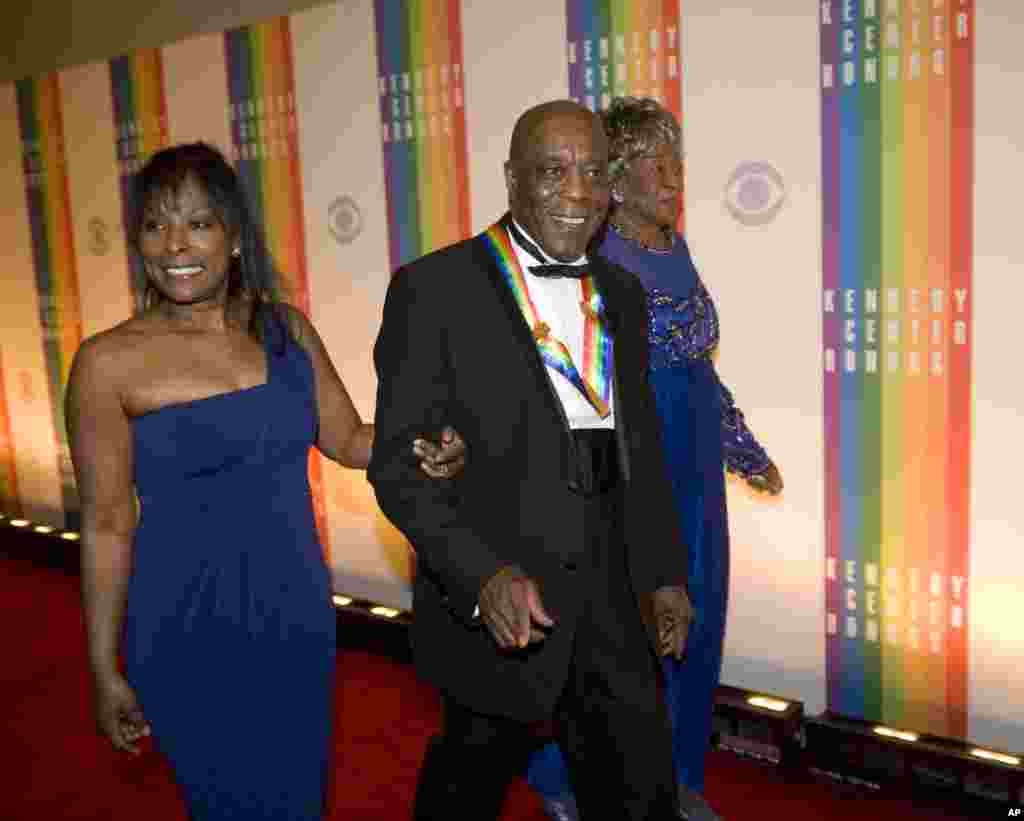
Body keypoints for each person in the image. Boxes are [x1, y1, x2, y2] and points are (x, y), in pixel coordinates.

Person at [65, 142, 465, 820]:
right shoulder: (106, 363)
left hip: (292, 610)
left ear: (234, 235)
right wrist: (103, 667)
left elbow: (346, 438)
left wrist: (425, 440)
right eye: (156, 225)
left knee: (297, 796)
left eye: (198, 222)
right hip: (182, 623)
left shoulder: (284, 330)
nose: (174, 244)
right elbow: (106, 524)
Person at [368, 100, 692, 820]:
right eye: (552, 171)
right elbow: (397, 466)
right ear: (512, 178)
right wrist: (482, 575)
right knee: (471, 776)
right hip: (507, 585)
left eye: (593, 172)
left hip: (613, 586)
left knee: (641, 788)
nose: (577, 192)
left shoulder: (626, 295)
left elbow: (641, 447)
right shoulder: (434, 289)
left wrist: (664, 570)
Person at [526, 96, 783, 820]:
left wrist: (742, 445)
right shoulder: (598, 261)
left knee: (697, 617)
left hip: (696, 452)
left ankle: (677, 775)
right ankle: (577, 778)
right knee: (630, 629)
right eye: (654, 166)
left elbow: (699, 364)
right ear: (616, 178)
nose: (673, 180)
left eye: (677, 164)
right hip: (637, 458)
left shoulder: (677, 248)